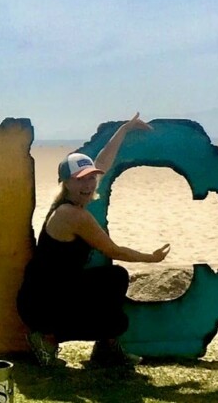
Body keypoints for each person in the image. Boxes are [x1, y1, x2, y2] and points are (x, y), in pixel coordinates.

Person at [16, 113, 170, 367]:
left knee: (114, 279)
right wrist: (150, 258)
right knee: (113, 300)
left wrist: (125, 129)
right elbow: (113, 250)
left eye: (91, 177)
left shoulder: (68, 203)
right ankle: (46, 339)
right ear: (65, 183)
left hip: (49, 292)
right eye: (80, 179)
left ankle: (105, 347)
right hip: (43, 302)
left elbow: (103, 163)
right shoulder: (72, 215)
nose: (89, 184)